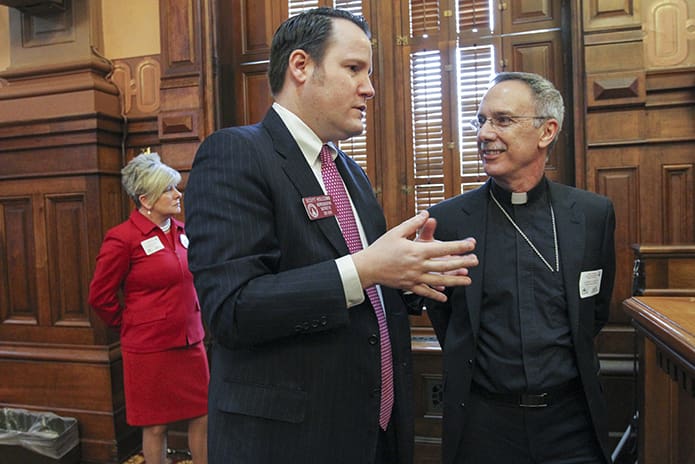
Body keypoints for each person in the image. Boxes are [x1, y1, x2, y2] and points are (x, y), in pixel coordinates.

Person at [184, 7, 478, 464]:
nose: (370, 88)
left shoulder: (348, 172)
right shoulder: (236, 154)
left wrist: (409, 275)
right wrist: (365, 268)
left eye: (370, 72)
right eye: (354, 68)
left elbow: (365, 290)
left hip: (372, 428)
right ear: (301, 66)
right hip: (290, 441)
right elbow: (231, 310)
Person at [420, 72, 616, 464]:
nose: (484, 134)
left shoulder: (593, 214)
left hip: (571, 422)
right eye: (481, 121)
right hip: (484, 424)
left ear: (546, 132)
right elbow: (448, 317)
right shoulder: (449, 220)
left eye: (503, 120)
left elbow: (593, 312)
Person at [88, 153, 209, 464]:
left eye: (175, 188)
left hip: (191, 343)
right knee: (155, 426)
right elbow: (100, 296)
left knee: (204, 416)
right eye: (169, 189)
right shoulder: (122, 239)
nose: (177, 194)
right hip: (149, 348)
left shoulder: (183, 233)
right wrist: (132, 323)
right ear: (146, 199)